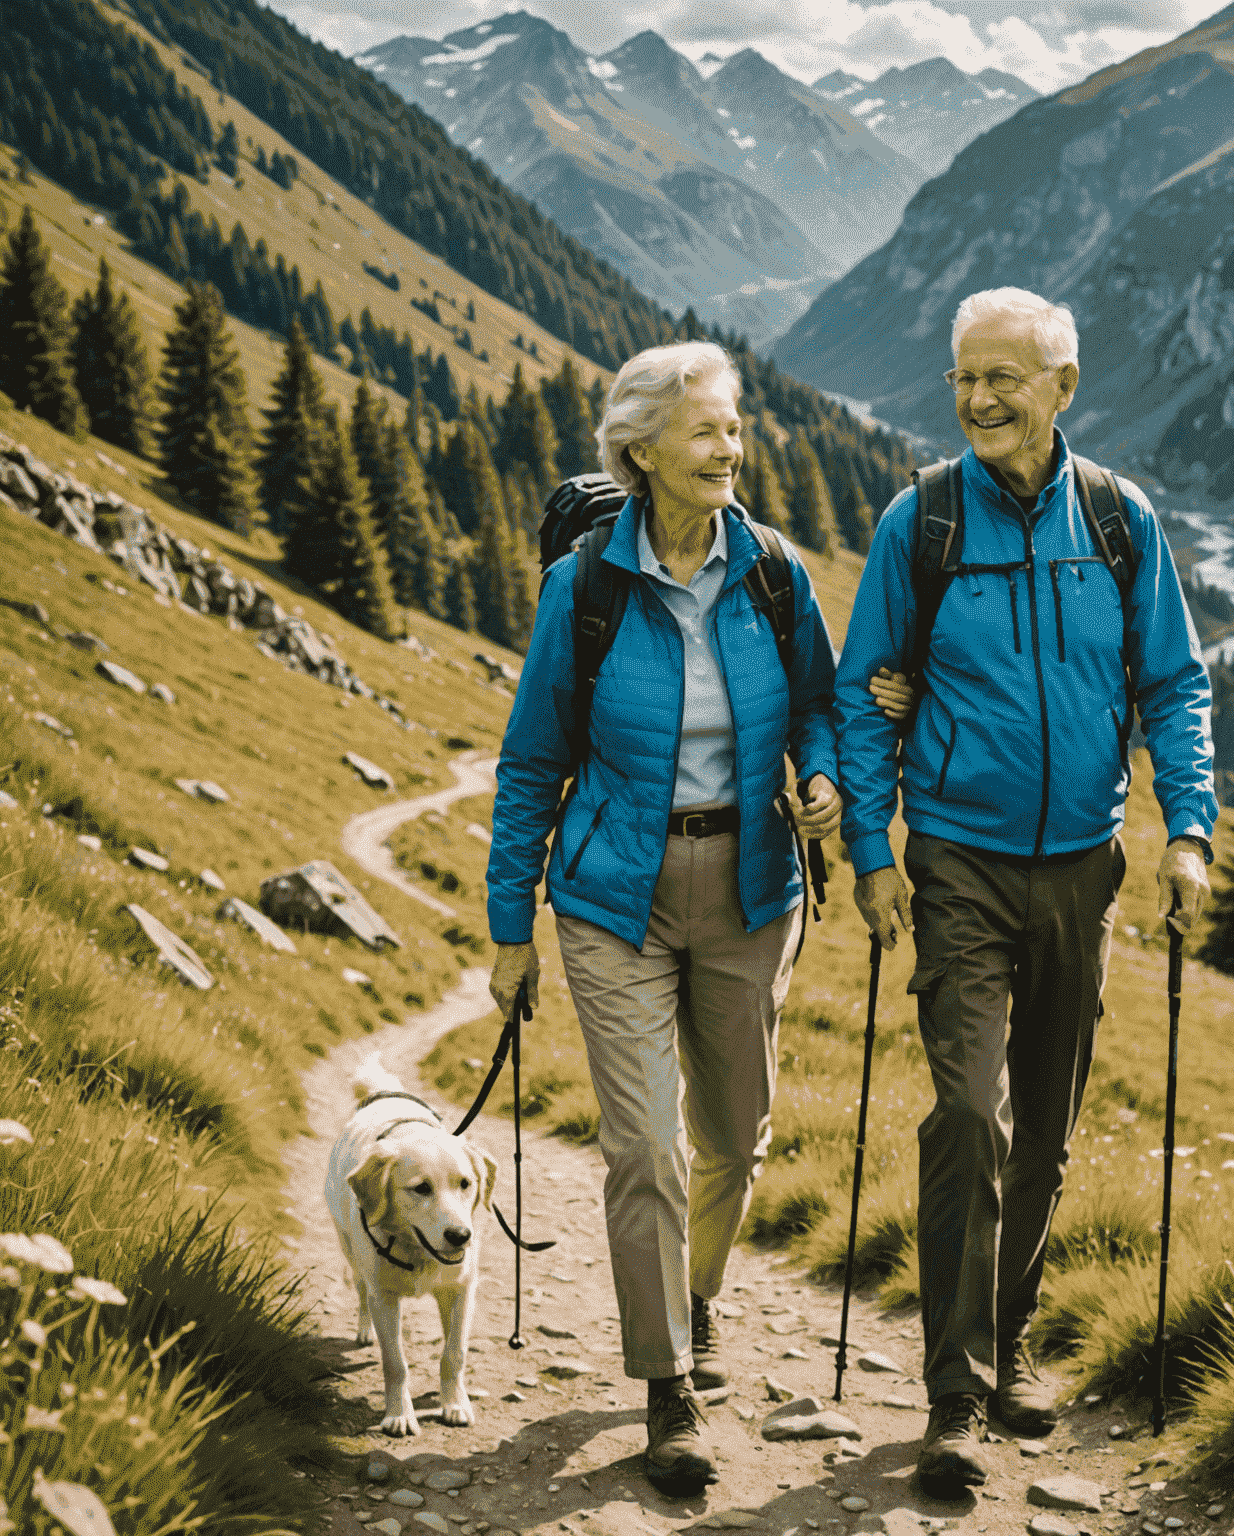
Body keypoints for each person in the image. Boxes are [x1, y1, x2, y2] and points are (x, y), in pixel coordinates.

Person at [834, 288, 1216, 1494]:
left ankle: (1011, 1352)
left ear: (1064, 383)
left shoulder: (1117, 521)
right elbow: (863, 691)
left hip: (1086, 866)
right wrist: (874, 849)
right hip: (957, 860)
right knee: (967, 1115)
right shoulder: (924, 523)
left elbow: (1176, 685)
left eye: (1007, 376)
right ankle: (953, 1397)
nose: (982, 398)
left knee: (1043, 1129)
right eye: (964, 378)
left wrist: (1189, 832)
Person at [486, 341, 841, 1494]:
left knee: (736, 1139)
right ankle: (667, 1382)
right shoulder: (583, 590)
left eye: (735, 428)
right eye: (705, 431)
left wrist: (825, 776)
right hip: (612, 901)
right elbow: (532, 761)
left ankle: (697, 1298)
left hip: (750, 894)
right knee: (647, 1143)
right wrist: (507, 931)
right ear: (639, 451)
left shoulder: (776, 573)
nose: (729, 449)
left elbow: (823, 711)